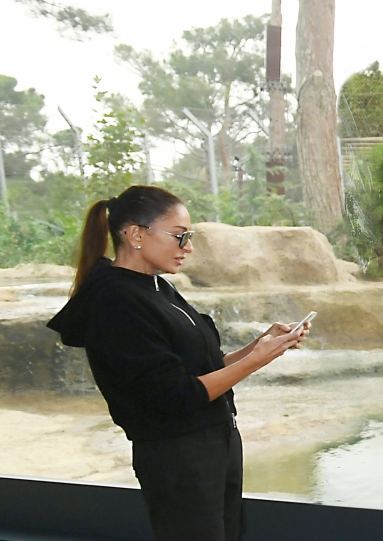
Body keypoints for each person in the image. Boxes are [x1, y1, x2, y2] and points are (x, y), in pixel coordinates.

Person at [47, 185, 308, 541]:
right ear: (136, 235)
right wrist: (258, 361)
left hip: (215, 444)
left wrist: (260, 346)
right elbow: (176, 394)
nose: (189, 247)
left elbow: (203, 369)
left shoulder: (156, 287)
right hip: (178, 456)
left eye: (190, 236)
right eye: (179, 236)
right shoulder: (116, 301)